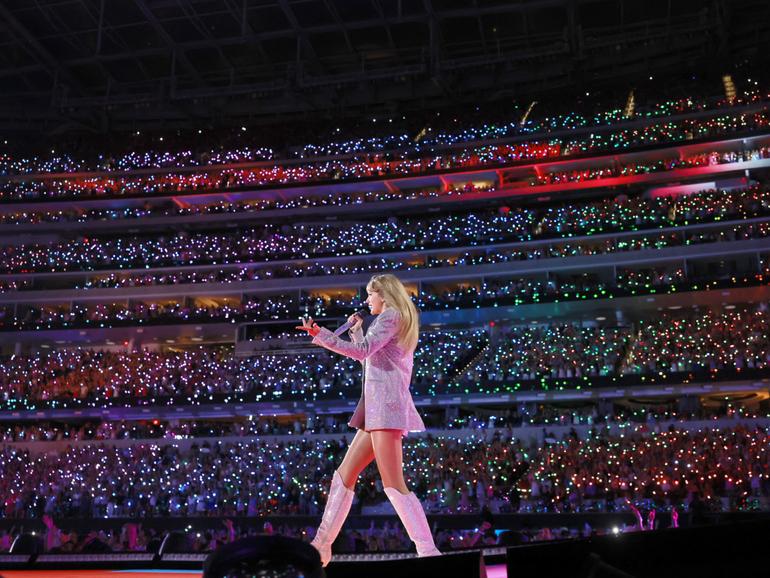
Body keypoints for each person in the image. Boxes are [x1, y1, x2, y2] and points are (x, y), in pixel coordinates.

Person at [296, 273, 440, 566]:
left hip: (385, 410)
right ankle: (321, 545)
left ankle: (428, 551)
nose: (366, 300)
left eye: (370, 294)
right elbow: (369, 356)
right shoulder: (394, 319)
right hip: (377, 410)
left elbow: (363, 353)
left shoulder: (390, 318)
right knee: (343, 476)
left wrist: (321, 335)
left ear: (383, 294)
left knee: (393, 485)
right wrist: (357, 332)